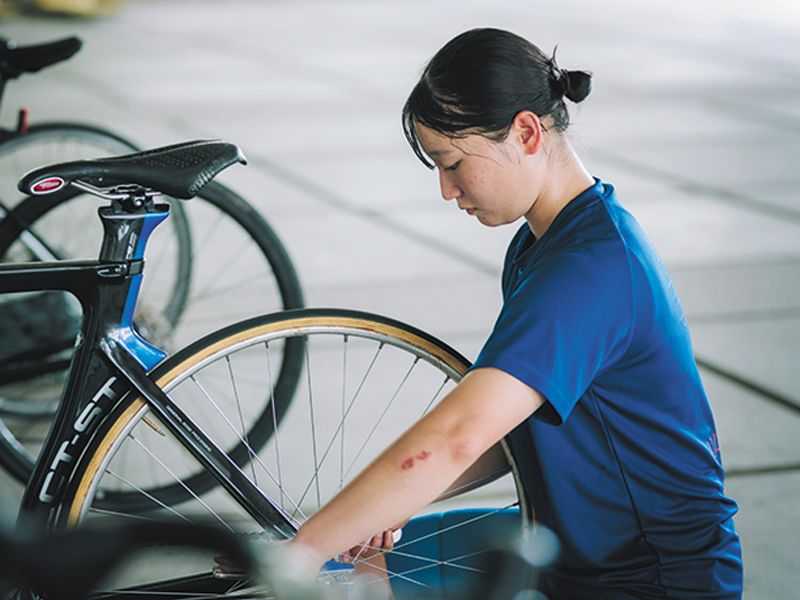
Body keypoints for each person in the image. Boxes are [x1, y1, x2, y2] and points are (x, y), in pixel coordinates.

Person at [286, 27, 744, 599]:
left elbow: (459, 435)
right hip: (563, 543)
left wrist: (301, 551)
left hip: (647, 578)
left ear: (526, 132)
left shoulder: (589, 272)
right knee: (359, 567)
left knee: (325, 575)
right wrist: (383, 507)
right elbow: (508, 430)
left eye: (451, 162)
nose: (446, 190)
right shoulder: (540, 244)